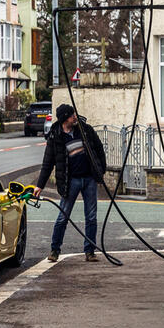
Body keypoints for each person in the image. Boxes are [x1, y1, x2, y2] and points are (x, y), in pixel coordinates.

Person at [34, 104, 106, 262]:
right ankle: (55, 250)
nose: (75, 117)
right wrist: (40, 185)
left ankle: (90, 251)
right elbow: (48, 163)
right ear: (65, 118)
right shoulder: (55, 136)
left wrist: (101, 170)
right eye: (72, 115)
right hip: (70, 181)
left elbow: (99, 148)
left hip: (89, 179)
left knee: (91, 217)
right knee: (63, 216)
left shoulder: (85, 130)